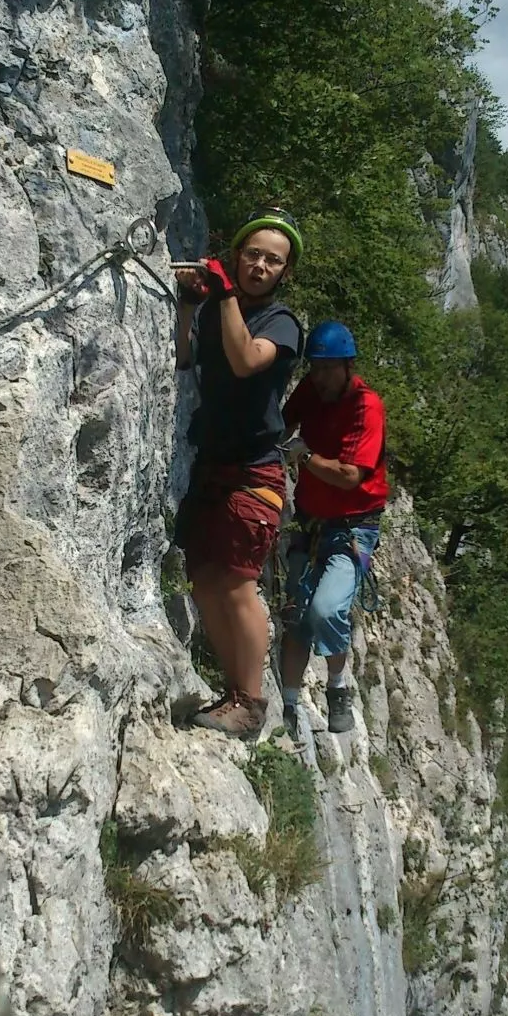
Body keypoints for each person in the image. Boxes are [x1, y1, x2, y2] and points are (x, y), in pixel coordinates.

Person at [174, 206, 304, 739]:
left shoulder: (282, 323)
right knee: (205, 579)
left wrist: (224, 294)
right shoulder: (219, 309)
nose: (260, 266)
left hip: (255, 470)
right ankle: (235, 693)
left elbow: (248, 360)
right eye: (253, 254)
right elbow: (186, 359)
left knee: (236, 581)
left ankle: (251, 703)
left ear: (284, 272)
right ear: (237, 255)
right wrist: (189, 306)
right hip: (214, 462)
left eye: (273, 261)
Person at [279, 321, 388, 737]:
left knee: (326, 609)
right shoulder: (312, 390)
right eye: (315, 368)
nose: (320, 377)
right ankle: (289, 707)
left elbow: (349, 476)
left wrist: (304, 457)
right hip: (311, 520)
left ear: (347, 366)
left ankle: (338, 687)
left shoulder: (366, 406)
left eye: (328, 369)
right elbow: (282, 424)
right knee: (296, 616)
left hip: (352, 528)